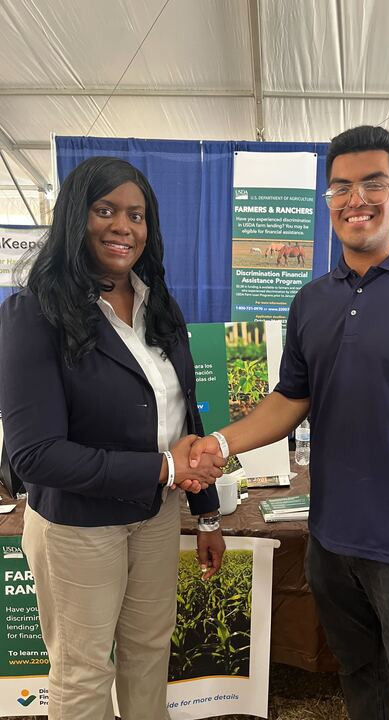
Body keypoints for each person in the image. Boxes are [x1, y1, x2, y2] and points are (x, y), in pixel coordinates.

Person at [189, 126, 389, 720]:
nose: (354, 198)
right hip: (331, 543)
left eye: (373, 182)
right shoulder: (312, 301)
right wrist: (217, 443)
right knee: (359, 676)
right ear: (328, 200)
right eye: (339, 187)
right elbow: (289, 400)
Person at [0, 156, 226, 720]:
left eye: (137, 214)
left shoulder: (160, 305)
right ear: (76, 217)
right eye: (106, 210)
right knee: (83, 670)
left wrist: (208, 514)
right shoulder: (35, 314)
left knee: (150, 652)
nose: (123, 226)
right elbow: (35, 456)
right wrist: (162, 470)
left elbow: (182, 419)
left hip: (153, 517)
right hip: (78, 525)